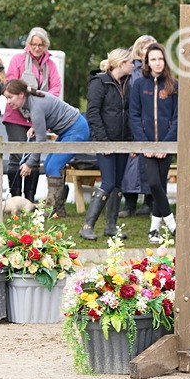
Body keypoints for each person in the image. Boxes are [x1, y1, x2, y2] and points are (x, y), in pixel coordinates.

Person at [1, 78, 89, 217]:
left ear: (21, 95)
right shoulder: (32, 101)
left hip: (76, 130)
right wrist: (35, 127)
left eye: (10, 97)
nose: (8, 101)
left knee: (53, 166)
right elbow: (47, 117)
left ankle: (52, 208)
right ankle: (58, 210)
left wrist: (29, 164)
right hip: (68, 130)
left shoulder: (35, 107)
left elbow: (41, 141)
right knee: (48, 165)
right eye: (6, 98)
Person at [80, 48, 134, 241]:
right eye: (130, 62)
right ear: (121, 64)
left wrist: (131, 142)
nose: (133, 65)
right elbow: (93, 113)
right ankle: (87, 225)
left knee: (118, 183)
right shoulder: (99, 82)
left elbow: (129, 113)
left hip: (123, 142)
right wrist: (104, 141)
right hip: (105, 141)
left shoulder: (127, 83)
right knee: (109, 182)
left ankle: (111, 226)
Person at [3, 27, 62, 201]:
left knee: (34, 155)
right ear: (28, 44)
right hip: (16, 114)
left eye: (40, 45)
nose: (36, 48)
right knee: (17, 154)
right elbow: (11, 83)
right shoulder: (18, 60)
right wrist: (27, 100)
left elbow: (56, 88)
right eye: (33, 44)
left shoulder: (51, 65)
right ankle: (15, 199)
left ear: (45, 45)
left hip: (39, 115)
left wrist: (40, 105)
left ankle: (29, 200)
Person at [130, 43, 179, 244]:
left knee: (161, 184)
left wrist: (165, 145)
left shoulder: (174, 85)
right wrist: (145, 144)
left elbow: (177, 118)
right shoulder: (139, 85)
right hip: (147, 145)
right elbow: (134, 116)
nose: (157, 63)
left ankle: (154, 230)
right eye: (153, 59)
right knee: (153, 183)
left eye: (160, 59)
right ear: (147, 62)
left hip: (167, 144)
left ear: (165, 61)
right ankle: (172, 225)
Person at [121, 34, 158, 217]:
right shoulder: (131, 70)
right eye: (144, 47)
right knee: (132, 164)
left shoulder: (158, 69)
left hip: (153, 121)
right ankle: (129, 204)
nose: (147, 50)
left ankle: (149, 203)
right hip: (133, 118)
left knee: (151, 163)